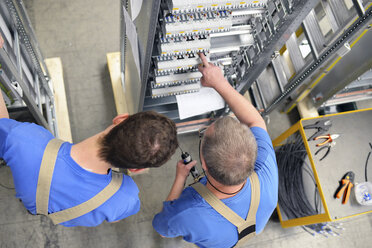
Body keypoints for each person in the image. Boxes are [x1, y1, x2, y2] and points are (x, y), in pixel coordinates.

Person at [0, 36, 178, 227]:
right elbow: (115, 216)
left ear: (121, 119)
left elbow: (3, 124)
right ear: (136, 169)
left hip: (33, 194)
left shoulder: (23, 140)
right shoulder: (125, 198)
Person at [152, 53, 278, 247]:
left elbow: (162, 230)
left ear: (203, 164)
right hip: (242, 231)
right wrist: (220, 82)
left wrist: (180, 178)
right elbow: (255, 120)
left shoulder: (187, 212)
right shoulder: (265, 166)